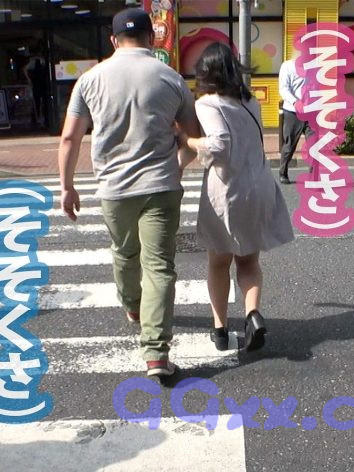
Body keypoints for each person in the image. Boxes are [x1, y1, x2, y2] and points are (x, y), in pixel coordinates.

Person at [58, 8, 200, 377]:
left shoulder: (90, 80)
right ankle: (156, 354)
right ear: (152, 38)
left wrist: (67, 186)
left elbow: (70, 138)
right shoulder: (171, 78)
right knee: (160, 267)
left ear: (113, 39)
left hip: (114, 188)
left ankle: (133, 306)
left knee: (124, 251)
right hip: (161, 186)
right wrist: (177, 164)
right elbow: (193, 138)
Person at [177, 42, 294, 352]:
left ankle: (220, 329)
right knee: (249, 261)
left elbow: (218, 145)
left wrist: (188, 139)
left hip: (229, 190)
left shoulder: (207, 104)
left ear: (206, 72)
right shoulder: (249, 101)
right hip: (259, 186)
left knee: (218, 262)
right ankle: (252, 314)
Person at [278, 55, 314, 184]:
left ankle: (313, 177)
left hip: (312, 112)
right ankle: (283, 172)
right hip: (293, 112)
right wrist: (295, 102)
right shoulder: (287, 66)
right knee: (289, 145)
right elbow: (283, 88)